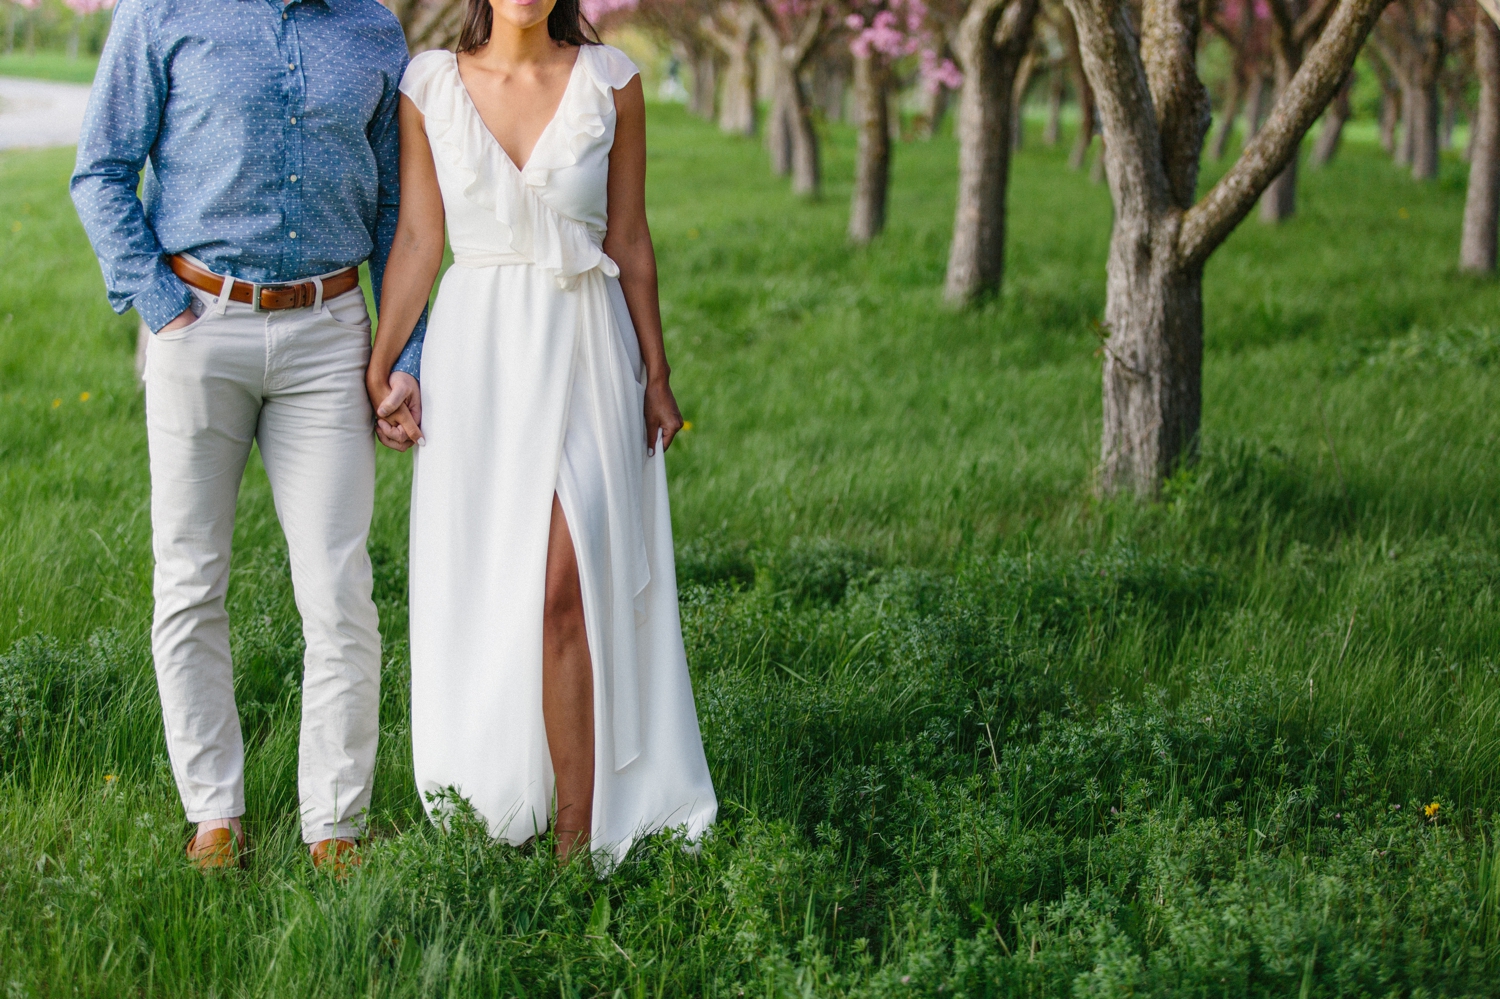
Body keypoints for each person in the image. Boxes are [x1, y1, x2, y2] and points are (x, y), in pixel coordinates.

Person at [71, 0, 422, 872]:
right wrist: (160, 307)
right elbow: (100, 171)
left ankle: (335, 823)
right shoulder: (162, 13)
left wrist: (400, 350)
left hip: (329, 331)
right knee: (190, 578)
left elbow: (394, 219)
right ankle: (214, 812)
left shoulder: (373, 31)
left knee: (340, 588)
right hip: (200, 323)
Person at [366, 0, 716, 863]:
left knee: (568, 577)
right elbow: (418, 235)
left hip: (590, 345)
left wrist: (658, 376)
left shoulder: (613, 82)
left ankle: (575, 825)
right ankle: (503, 785)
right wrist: (382, 360)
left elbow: (630, 237)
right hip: (479, 351)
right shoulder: (428, 84)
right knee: (497, 581)